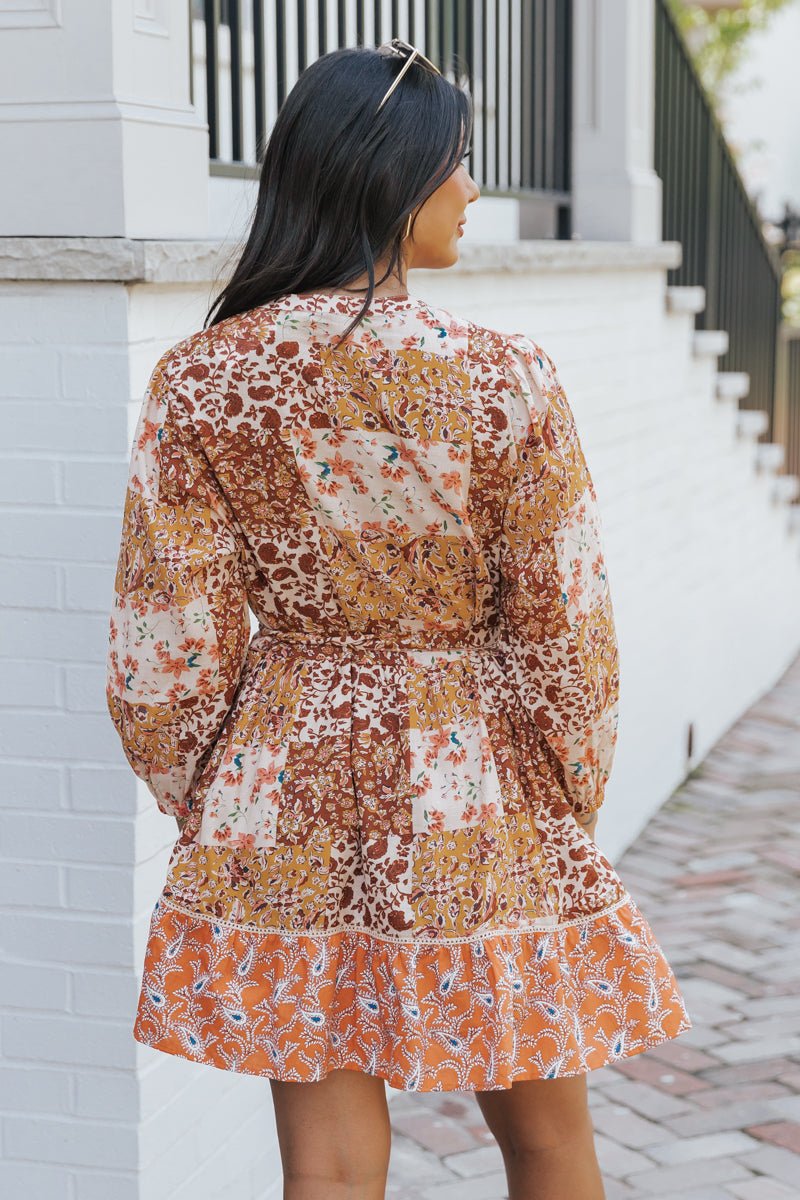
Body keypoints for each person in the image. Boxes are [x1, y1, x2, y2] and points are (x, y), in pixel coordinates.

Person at [105, 38, 692, 1200]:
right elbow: (564, 622)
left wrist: (216, 796)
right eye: (456, 163)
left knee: (322, 1172)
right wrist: (566, 789)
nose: (472, 191)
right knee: (546, 1142)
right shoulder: (502, 377)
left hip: (283, 787)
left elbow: (161, 651)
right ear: (390, 172)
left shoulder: (201, 379)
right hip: (483, 783)